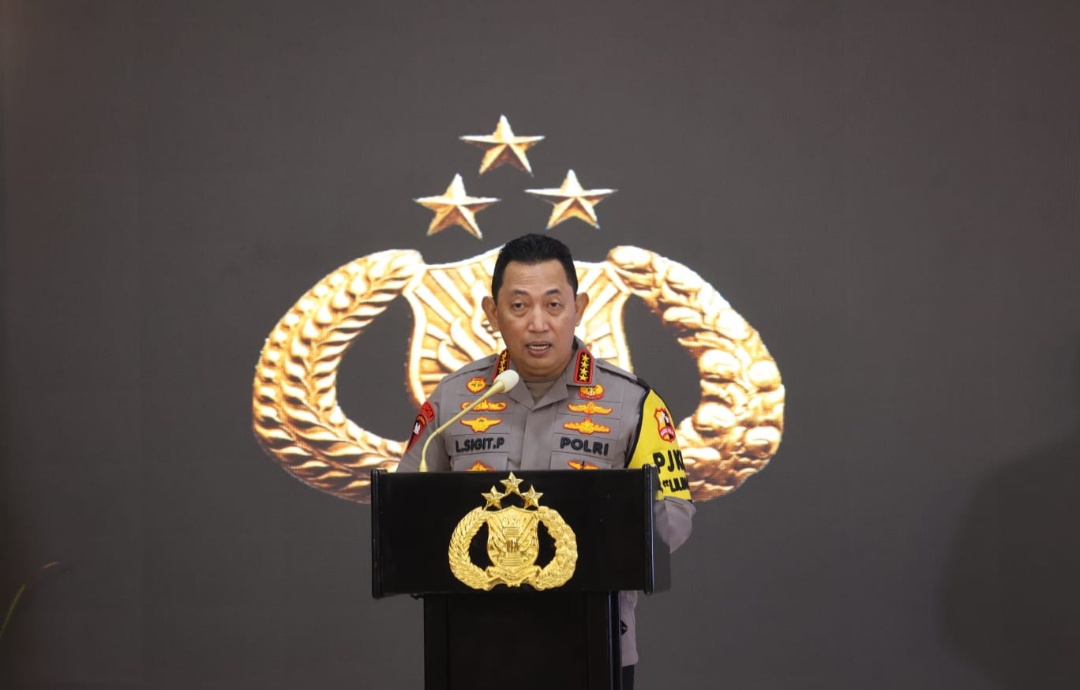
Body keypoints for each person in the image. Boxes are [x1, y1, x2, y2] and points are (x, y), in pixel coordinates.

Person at [398, 233, 695, 689]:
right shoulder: (453, 400)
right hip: (472, 644)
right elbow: (406, 509)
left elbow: (674, 515)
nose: (538, 323)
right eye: (519, 306)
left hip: (594, 642)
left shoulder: (634, 403)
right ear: (491, 313)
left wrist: (603, 534)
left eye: (554, 305)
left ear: (579, 307)